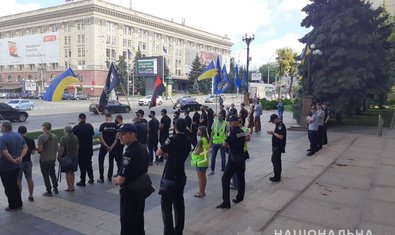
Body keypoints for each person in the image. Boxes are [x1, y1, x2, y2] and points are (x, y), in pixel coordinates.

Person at [156, 118, 191, 235]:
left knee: (166, 206)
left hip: (170, 176)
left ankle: (168, 232)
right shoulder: (188, 140)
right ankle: (179, 230)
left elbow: (158, 152)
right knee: (179, 204)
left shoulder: (171, 139)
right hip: (181, 175)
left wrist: (167, 152)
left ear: (174, 127)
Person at [113, 124, 149, 235]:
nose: (120, 137)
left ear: (132, 134)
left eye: (123, 134)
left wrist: (116, 180)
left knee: (127, 224)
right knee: (138, 222)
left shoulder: (129, 153)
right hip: (140, 191)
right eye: (119, 134)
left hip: (129, 194)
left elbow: (121, 180)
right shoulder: (143, 148)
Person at [216, 115, 246, 209]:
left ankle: (226, 202)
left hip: (233, 158)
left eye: (230, 121)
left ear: (235, 122)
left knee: (225, 178)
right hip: (241, 158)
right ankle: (240, 198)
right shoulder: (241, 132)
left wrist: (227, 145)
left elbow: (225, 144)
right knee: (241, 178)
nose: (229, 123)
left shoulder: (232, 133)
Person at [0, 121, 27, 211]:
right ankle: (19, 203)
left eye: (1, 127)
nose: (0, 128)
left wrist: (13, 161)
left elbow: (5, 153)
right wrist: (20, 157)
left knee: (8, 187)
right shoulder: (18, 135)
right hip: (17, 166)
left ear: (4, 128)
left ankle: (12, 205)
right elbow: (25, 147)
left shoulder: (2, 138)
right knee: (15, 185)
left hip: (6, 167)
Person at [38, 122, 59, 196]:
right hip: (52, 158)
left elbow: (40, 149)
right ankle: (55, 188)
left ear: (44, 128)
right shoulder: (54, 136)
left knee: (45, 175)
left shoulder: (41, 137)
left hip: (44, 159)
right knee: (52, 173)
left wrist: (36, 149)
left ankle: (49, 190)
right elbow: (57, 148)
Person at [73, 113, 95, 186]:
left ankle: (83, 181)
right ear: (85, 118)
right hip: (89, 148)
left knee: (82, 165)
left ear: (79, 118)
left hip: (80, 150)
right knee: (89, 163)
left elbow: (74, 139)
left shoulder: (75, 128)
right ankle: (91, 178)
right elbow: (92, 135)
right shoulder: (89, 126)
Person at [97, 114, 119, 183]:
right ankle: (109, 177)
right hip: (113, 146)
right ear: (111, 118)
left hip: (104, 146)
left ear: (106, 118)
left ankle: (101, 178)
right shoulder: (116, 126)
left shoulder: (102, 125)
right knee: (111, 161)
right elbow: (117, 138)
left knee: (101, 160)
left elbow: (100, 137)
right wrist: (111, 146)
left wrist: (106, 145)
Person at [17, 126, 36, 202]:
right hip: (28, 161)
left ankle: (19, 198)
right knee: (29, 178)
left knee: (18, 180)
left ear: (18, 132)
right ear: (26, 132)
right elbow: (33, 152)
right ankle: (31, 195)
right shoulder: (31, 140)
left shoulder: (17, 140)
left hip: (19, 162)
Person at [58, 126, 79, 191]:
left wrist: (59, 156)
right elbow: (78, 147)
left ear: (65, 131)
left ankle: (69, 187)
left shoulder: (64, 138)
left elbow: (62, 149)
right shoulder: (75, 137)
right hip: (75, 156)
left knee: (68, 172)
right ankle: (72, 186)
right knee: (72, 172)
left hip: (67, 157)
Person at [191, 126, 209, 198]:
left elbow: (198, 152)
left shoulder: (201, 140)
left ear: (201, 132)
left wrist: (194, 152)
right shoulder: (206, 139)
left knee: (201, 178)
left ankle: (201, 192)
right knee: (203, 177)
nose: (197, 131)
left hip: (200, 161)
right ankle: (202, 191)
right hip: (204, 160)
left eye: (198, 130)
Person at [267, 114, 286, 182]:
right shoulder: (278, 125)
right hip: (276, 146)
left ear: (276, 119)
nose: (272, 122)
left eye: (272, 121)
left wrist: (273, 133)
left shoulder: (281, 126)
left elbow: (281, 136)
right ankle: (277, 175)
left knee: (275, 161)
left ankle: (277, 177)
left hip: (278, 147)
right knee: (276, 160)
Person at [208, 110, 227, 176]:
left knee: (223, 157)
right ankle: (212, 170)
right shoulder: (214, 123)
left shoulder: (225, 123)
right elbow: (212, 133)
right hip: (215, 142)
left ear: (223, 117)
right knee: (213, 157)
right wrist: (210, 142)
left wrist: (226, 142)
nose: (219, 117)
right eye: (218, 115)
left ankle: (223, 170)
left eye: (220, 116)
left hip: (222, 143)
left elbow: (227, 133)